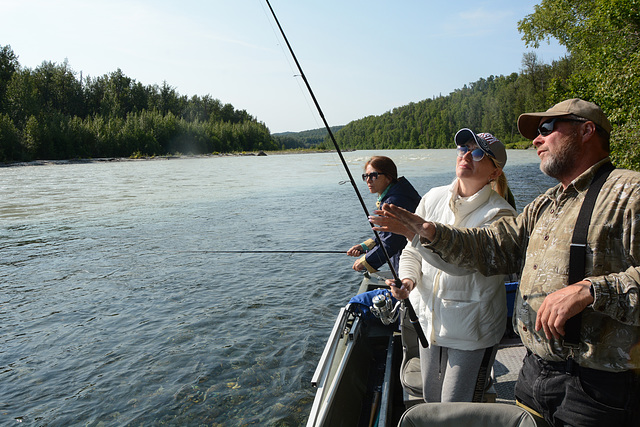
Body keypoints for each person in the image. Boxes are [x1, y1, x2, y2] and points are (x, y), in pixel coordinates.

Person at [370, 99, 640, 426]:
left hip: (599, 384)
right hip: (535, 373)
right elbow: (492, 246)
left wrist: (590, 290)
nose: (536, 140)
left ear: (586, 131)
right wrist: (429, 232)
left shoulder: (629, 192)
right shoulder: (544, 205)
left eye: (546, 129)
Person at [395, 129, 516, 403]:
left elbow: (462, 266)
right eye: (463, 147)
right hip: (430, 324)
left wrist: (413, 234)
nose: (466, 155)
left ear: (494, 172)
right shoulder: (432, 197)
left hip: (473, 333)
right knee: (431, 399)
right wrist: (407, 282)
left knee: (456, 408)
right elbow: (411, 253)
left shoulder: (501, 215)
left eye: (477, 152)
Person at [346, 156, 420, 273]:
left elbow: (391, 243)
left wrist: (366, 261)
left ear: (388, 177)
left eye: (373, 175)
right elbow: (389, 234)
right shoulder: (399, 194)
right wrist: (365, 246)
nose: (368, 180)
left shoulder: (394, 202)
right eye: (366, 176)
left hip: (411, 262)